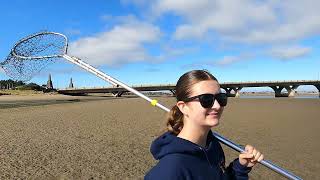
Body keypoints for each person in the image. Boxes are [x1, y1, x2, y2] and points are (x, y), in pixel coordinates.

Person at [145, 70, 264, 180]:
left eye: (220, 98)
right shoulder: (171, 171)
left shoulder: (213, 146)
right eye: (206, 99)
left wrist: (240, 168)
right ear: (183, 107)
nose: (217, 106)